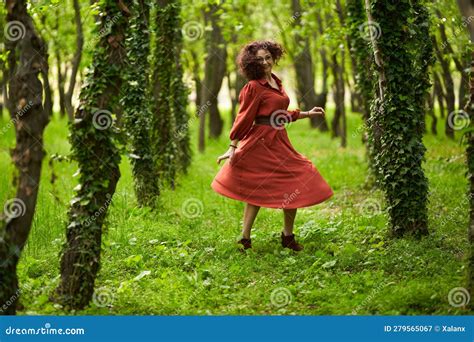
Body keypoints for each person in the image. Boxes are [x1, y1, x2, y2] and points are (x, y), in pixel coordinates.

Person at [211, 40, 333, 252]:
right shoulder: (254, 87)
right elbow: (244, 117)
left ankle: (287, 236)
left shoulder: (276, 82)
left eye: (268, 57)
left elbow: (278, 115)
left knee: (297, 180)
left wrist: (306, 114)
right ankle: (244, 239)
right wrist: (233, 145)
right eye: (260, 59)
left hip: (279, 140)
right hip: (260, 142)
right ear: (252, 62)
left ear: (274, 57)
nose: (265, 62)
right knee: (255, 191)